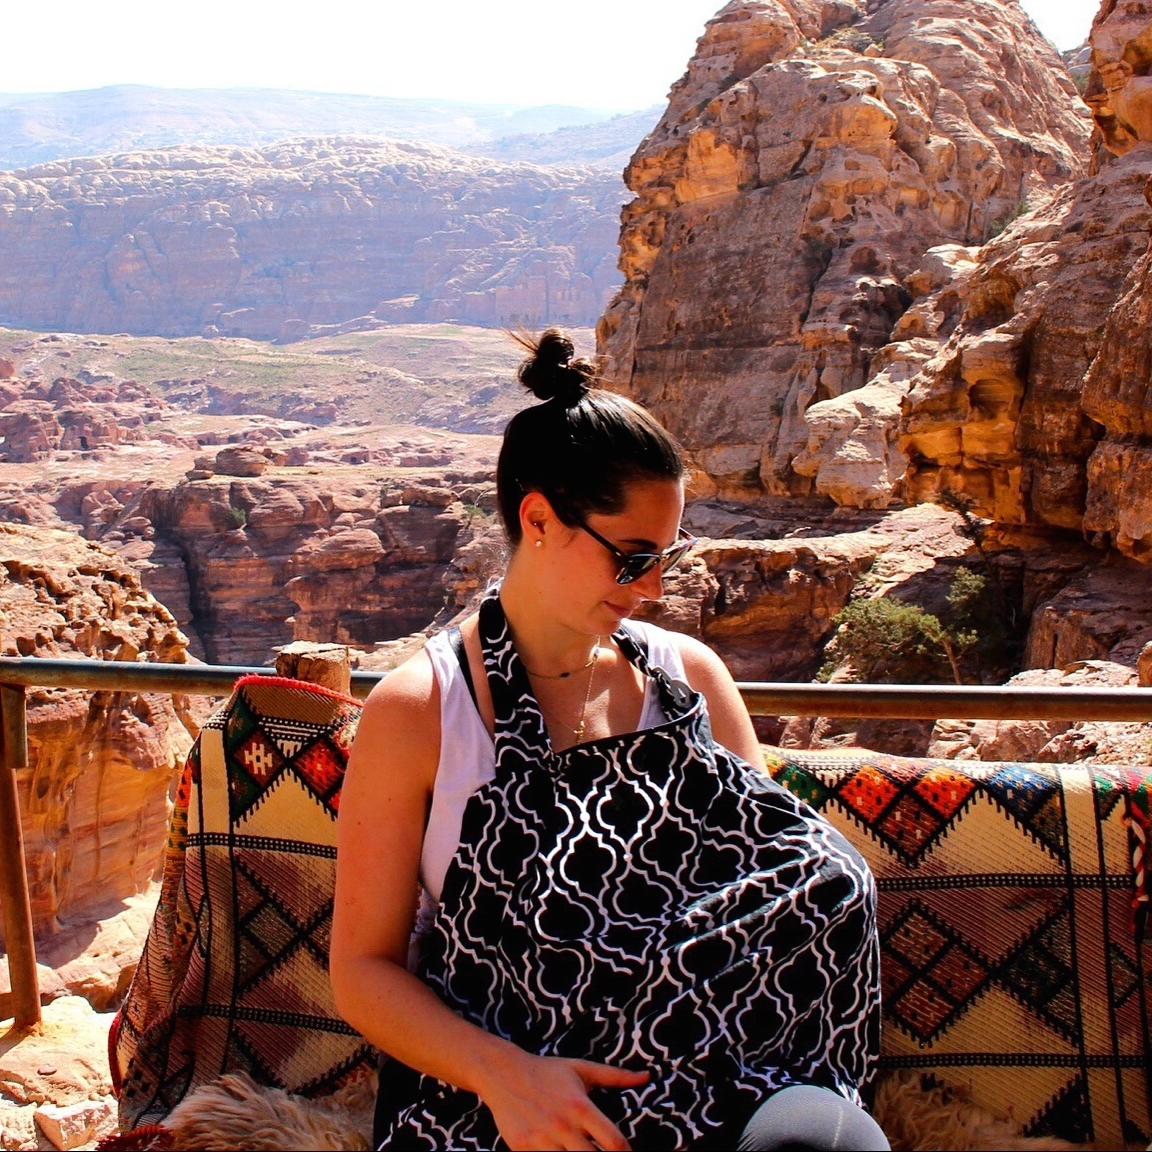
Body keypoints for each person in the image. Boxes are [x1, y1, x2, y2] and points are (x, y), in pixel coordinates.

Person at [330, 330, 887, 1152]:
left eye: (667, 555)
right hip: (527, 1102)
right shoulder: (425, 710)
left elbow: (769, 882)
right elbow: (363, 973)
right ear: (540, 519)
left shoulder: (690, 679)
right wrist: (503, 1075)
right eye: (631, 558)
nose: (656, 588)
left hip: (735, 1075)